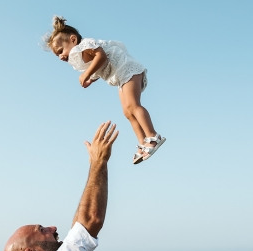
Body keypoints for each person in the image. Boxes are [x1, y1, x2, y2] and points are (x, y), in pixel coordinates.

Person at [4, 121, 119, 251]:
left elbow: (78, 229)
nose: (53, 227)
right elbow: (90, 222)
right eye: (42, 230)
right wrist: (98, 162)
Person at [45, 16, 166, 164]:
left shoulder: (85, 45)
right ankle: (143, 142)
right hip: (119, 76)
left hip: (127, 69)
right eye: (57, 55)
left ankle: (153, 136)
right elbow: (100, 67)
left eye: (60, 50)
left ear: (73, 40)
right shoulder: (81, 55)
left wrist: (86, 74)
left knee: (133, 105)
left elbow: (101, 57)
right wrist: (90, 79)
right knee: (127, 112)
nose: (60, 56)